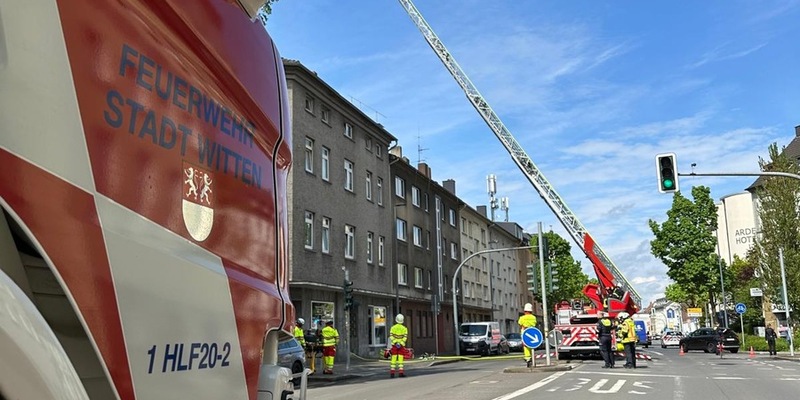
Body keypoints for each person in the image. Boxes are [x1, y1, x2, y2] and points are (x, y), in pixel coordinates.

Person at [517, 303, 538, 368]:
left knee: (526, 346)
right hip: (532, 332)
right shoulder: (534, 317)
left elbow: (520, 324)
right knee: (532, 346)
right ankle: (532, 357)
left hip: (525, 333)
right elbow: (535, 324)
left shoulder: (522, 318)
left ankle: (528, 358)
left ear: (525, 311)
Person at [389, 313, 409, 378]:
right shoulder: (404, 328)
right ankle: (401, 373)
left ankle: (392, 373)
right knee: (400, 358)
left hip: (394, 345)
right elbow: (405, 337)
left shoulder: (393, 328)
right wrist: (401, 343)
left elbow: (391, 336)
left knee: (393, 358)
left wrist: (395, 342)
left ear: (396, 319)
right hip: (401, 346)